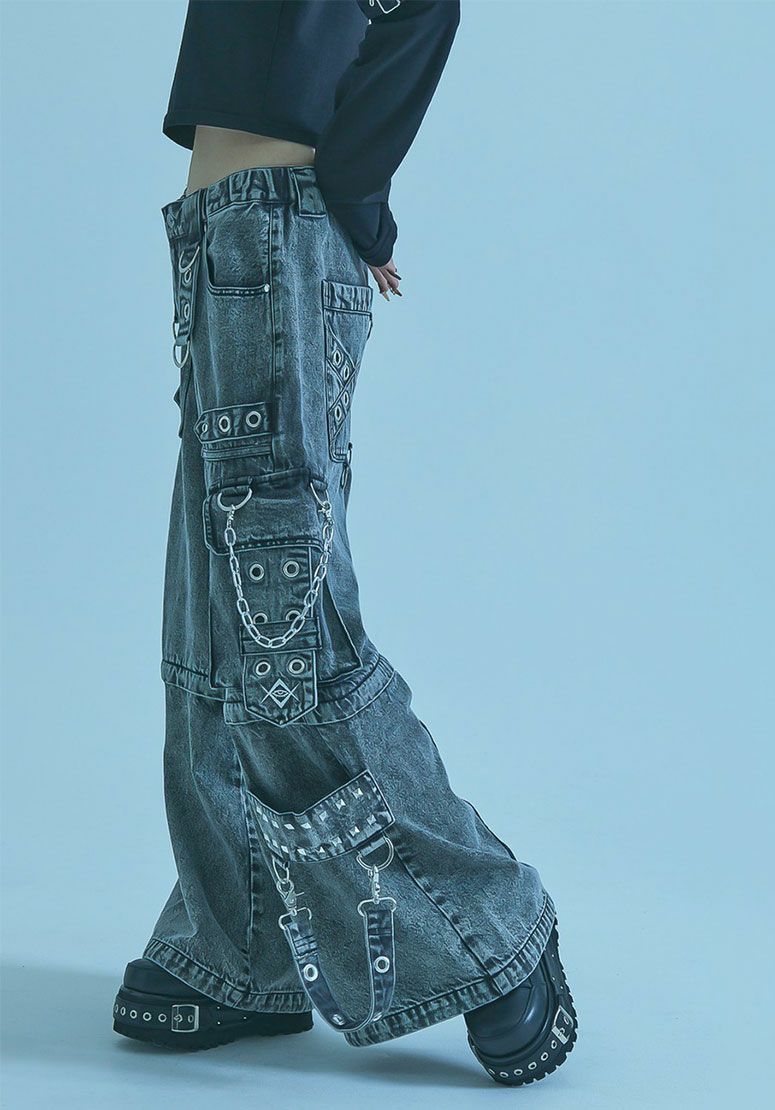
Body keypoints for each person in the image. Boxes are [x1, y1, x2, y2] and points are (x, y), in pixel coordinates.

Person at [111, 0, 577, 1086]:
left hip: (277, 234)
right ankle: (241, 948)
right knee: (213, 636)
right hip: (224, 235)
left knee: (283, 643)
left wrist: (361, 211)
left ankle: (492, 932)